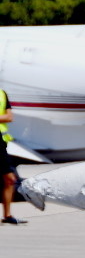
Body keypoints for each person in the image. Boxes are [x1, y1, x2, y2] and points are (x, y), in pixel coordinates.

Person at [0, 88, 27, 224]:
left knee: (10, 179)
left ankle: (7, 215)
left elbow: (9, 117)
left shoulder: (2, 93)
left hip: (2, 142)